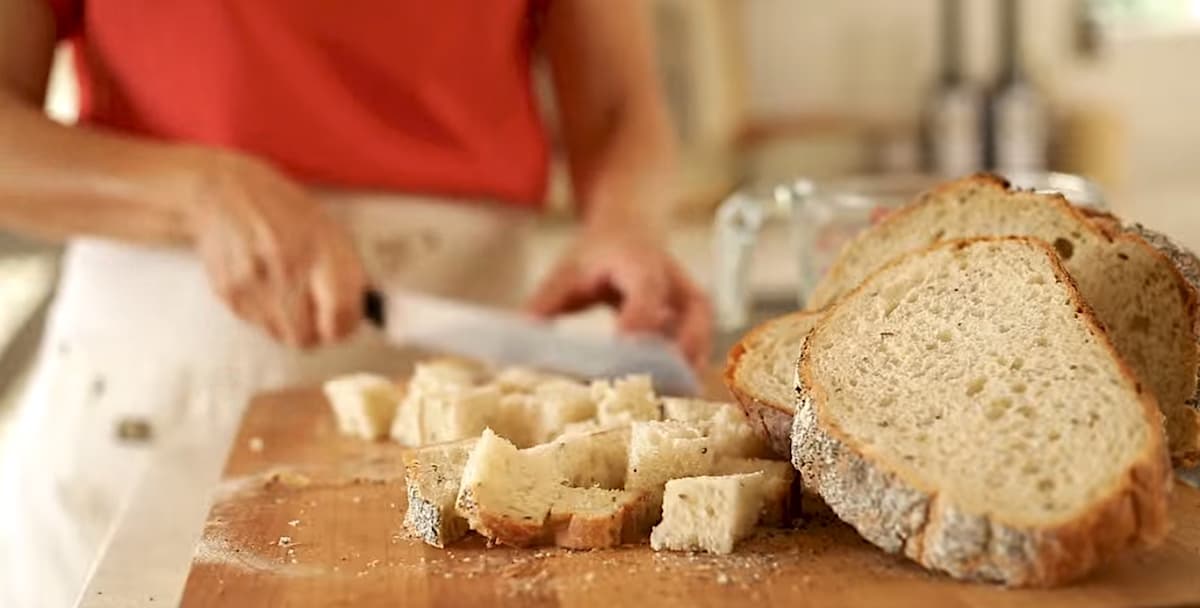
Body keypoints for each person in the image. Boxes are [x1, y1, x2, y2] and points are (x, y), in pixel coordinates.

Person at [0, 1, 712, 605]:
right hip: (161, 381)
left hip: (471, 361)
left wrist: (626, 221)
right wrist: (192, 193)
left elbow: (621, 102)